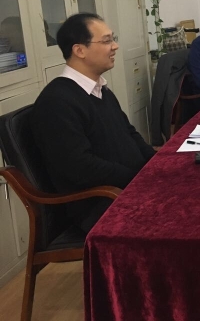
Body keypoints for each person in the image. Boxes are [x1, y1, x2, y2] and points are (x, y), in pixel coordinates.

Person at [31, 13, 156, 233]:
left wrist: (157, 165)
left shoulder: (100, 90)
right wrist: (137, 179)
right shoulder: (56, 101)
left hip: (130, 188)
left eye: (113, 39)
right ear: (79, 50)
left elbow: (129, 133)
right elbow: (80, 167)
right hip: (102, 204)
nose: (115, 46)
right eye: (107, 41)